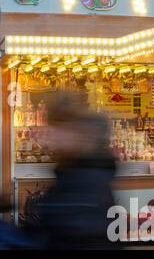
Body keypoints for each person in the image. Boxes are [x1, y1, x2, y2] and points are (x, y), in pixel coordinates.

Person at [29, 92, 116, 249]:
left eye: (57, 127)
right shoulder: (71, 174)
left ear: (76, 131)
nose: (51, 134)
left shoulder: (85, 183)